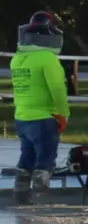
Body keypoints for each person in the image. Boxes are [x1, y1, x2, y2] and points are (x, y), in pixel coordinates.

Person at [9, 12, 70, 205]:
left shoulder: (17, 58)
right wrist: (63, 114)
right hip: (43, 117)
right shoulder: (47, 58)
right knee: (45, 159)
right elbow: (58, 90)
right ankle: (40, 200)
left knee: (26, 157)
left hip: (22, 117)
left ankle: (20, 196)